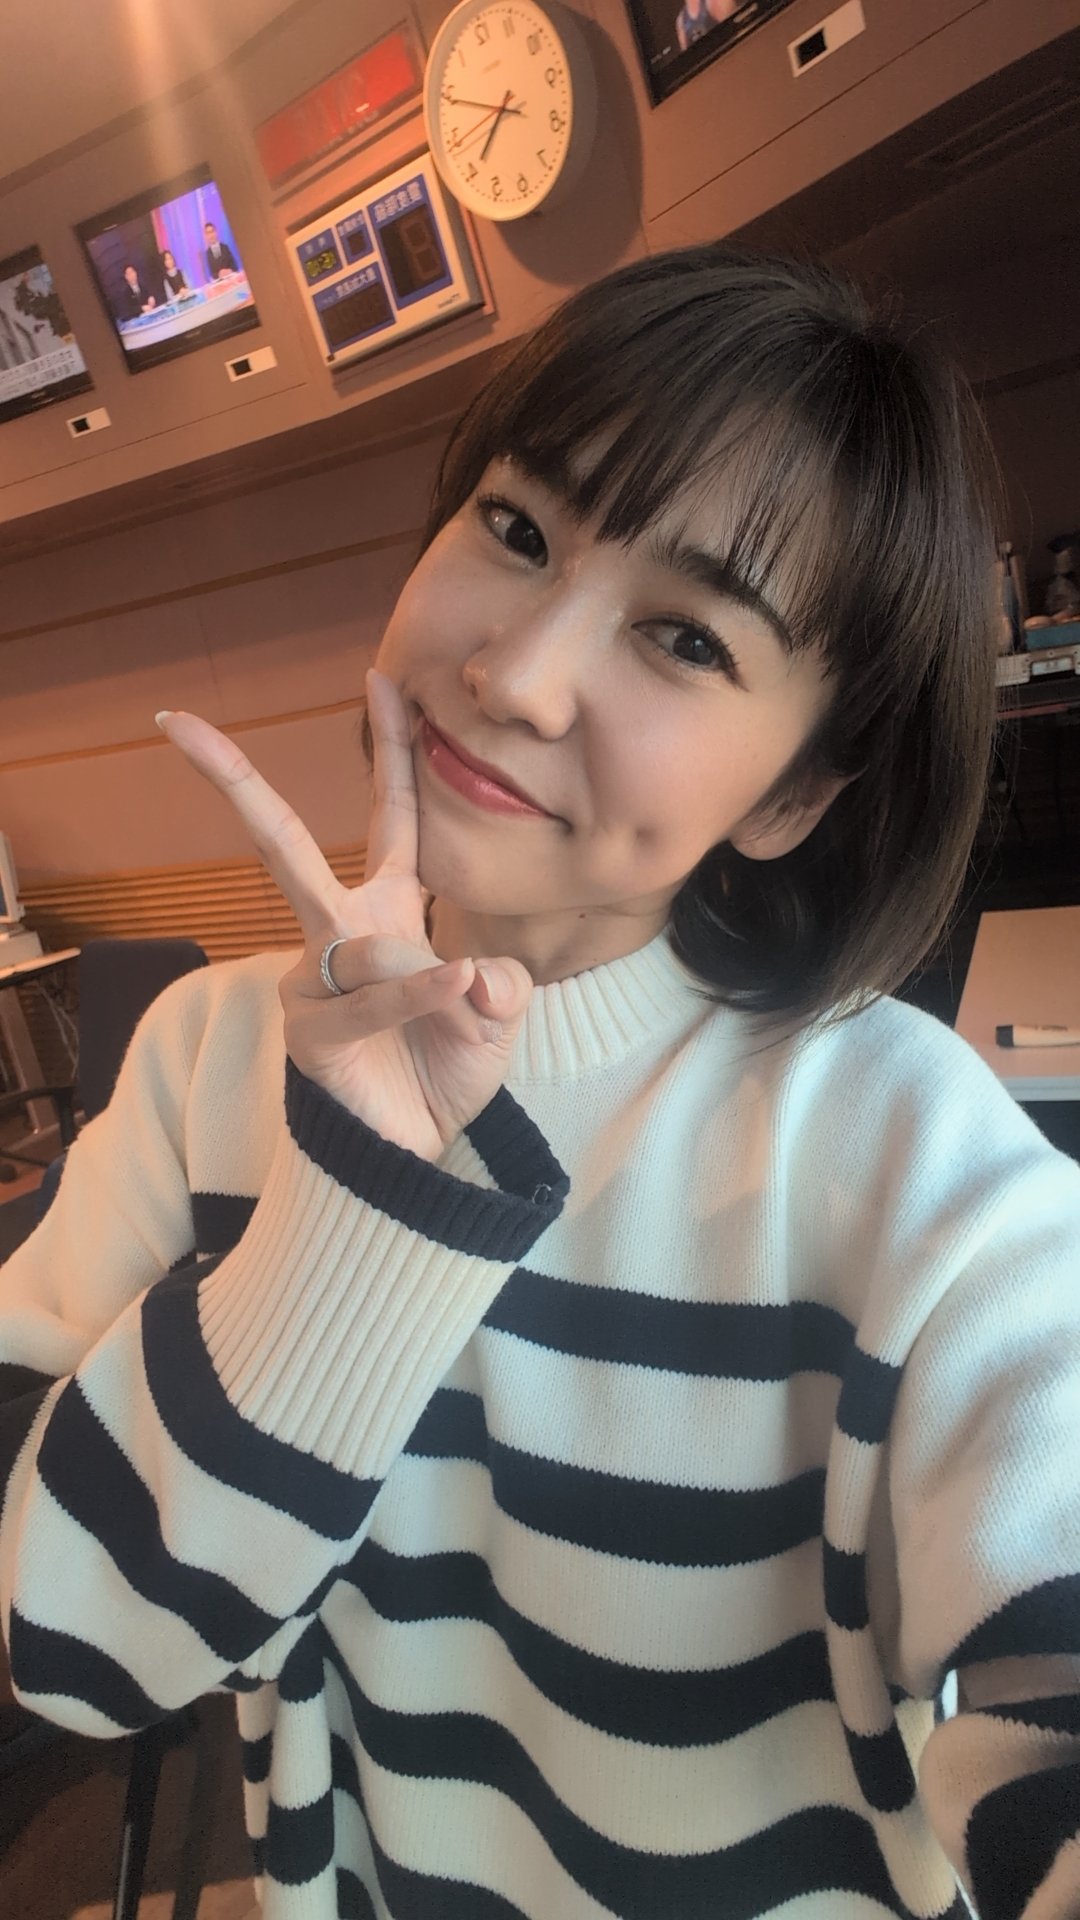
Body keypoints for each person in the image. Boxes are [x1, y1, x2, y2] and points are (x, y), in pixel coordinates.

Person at [2, 246, 1079, 1920]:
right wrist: (352, 1217)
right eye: (515, 529)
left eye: (687, 637)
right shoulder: (206, 1059)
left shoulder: (913, 1162)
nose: (514, 673)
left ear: (795, 794)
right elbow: (65, 1655)